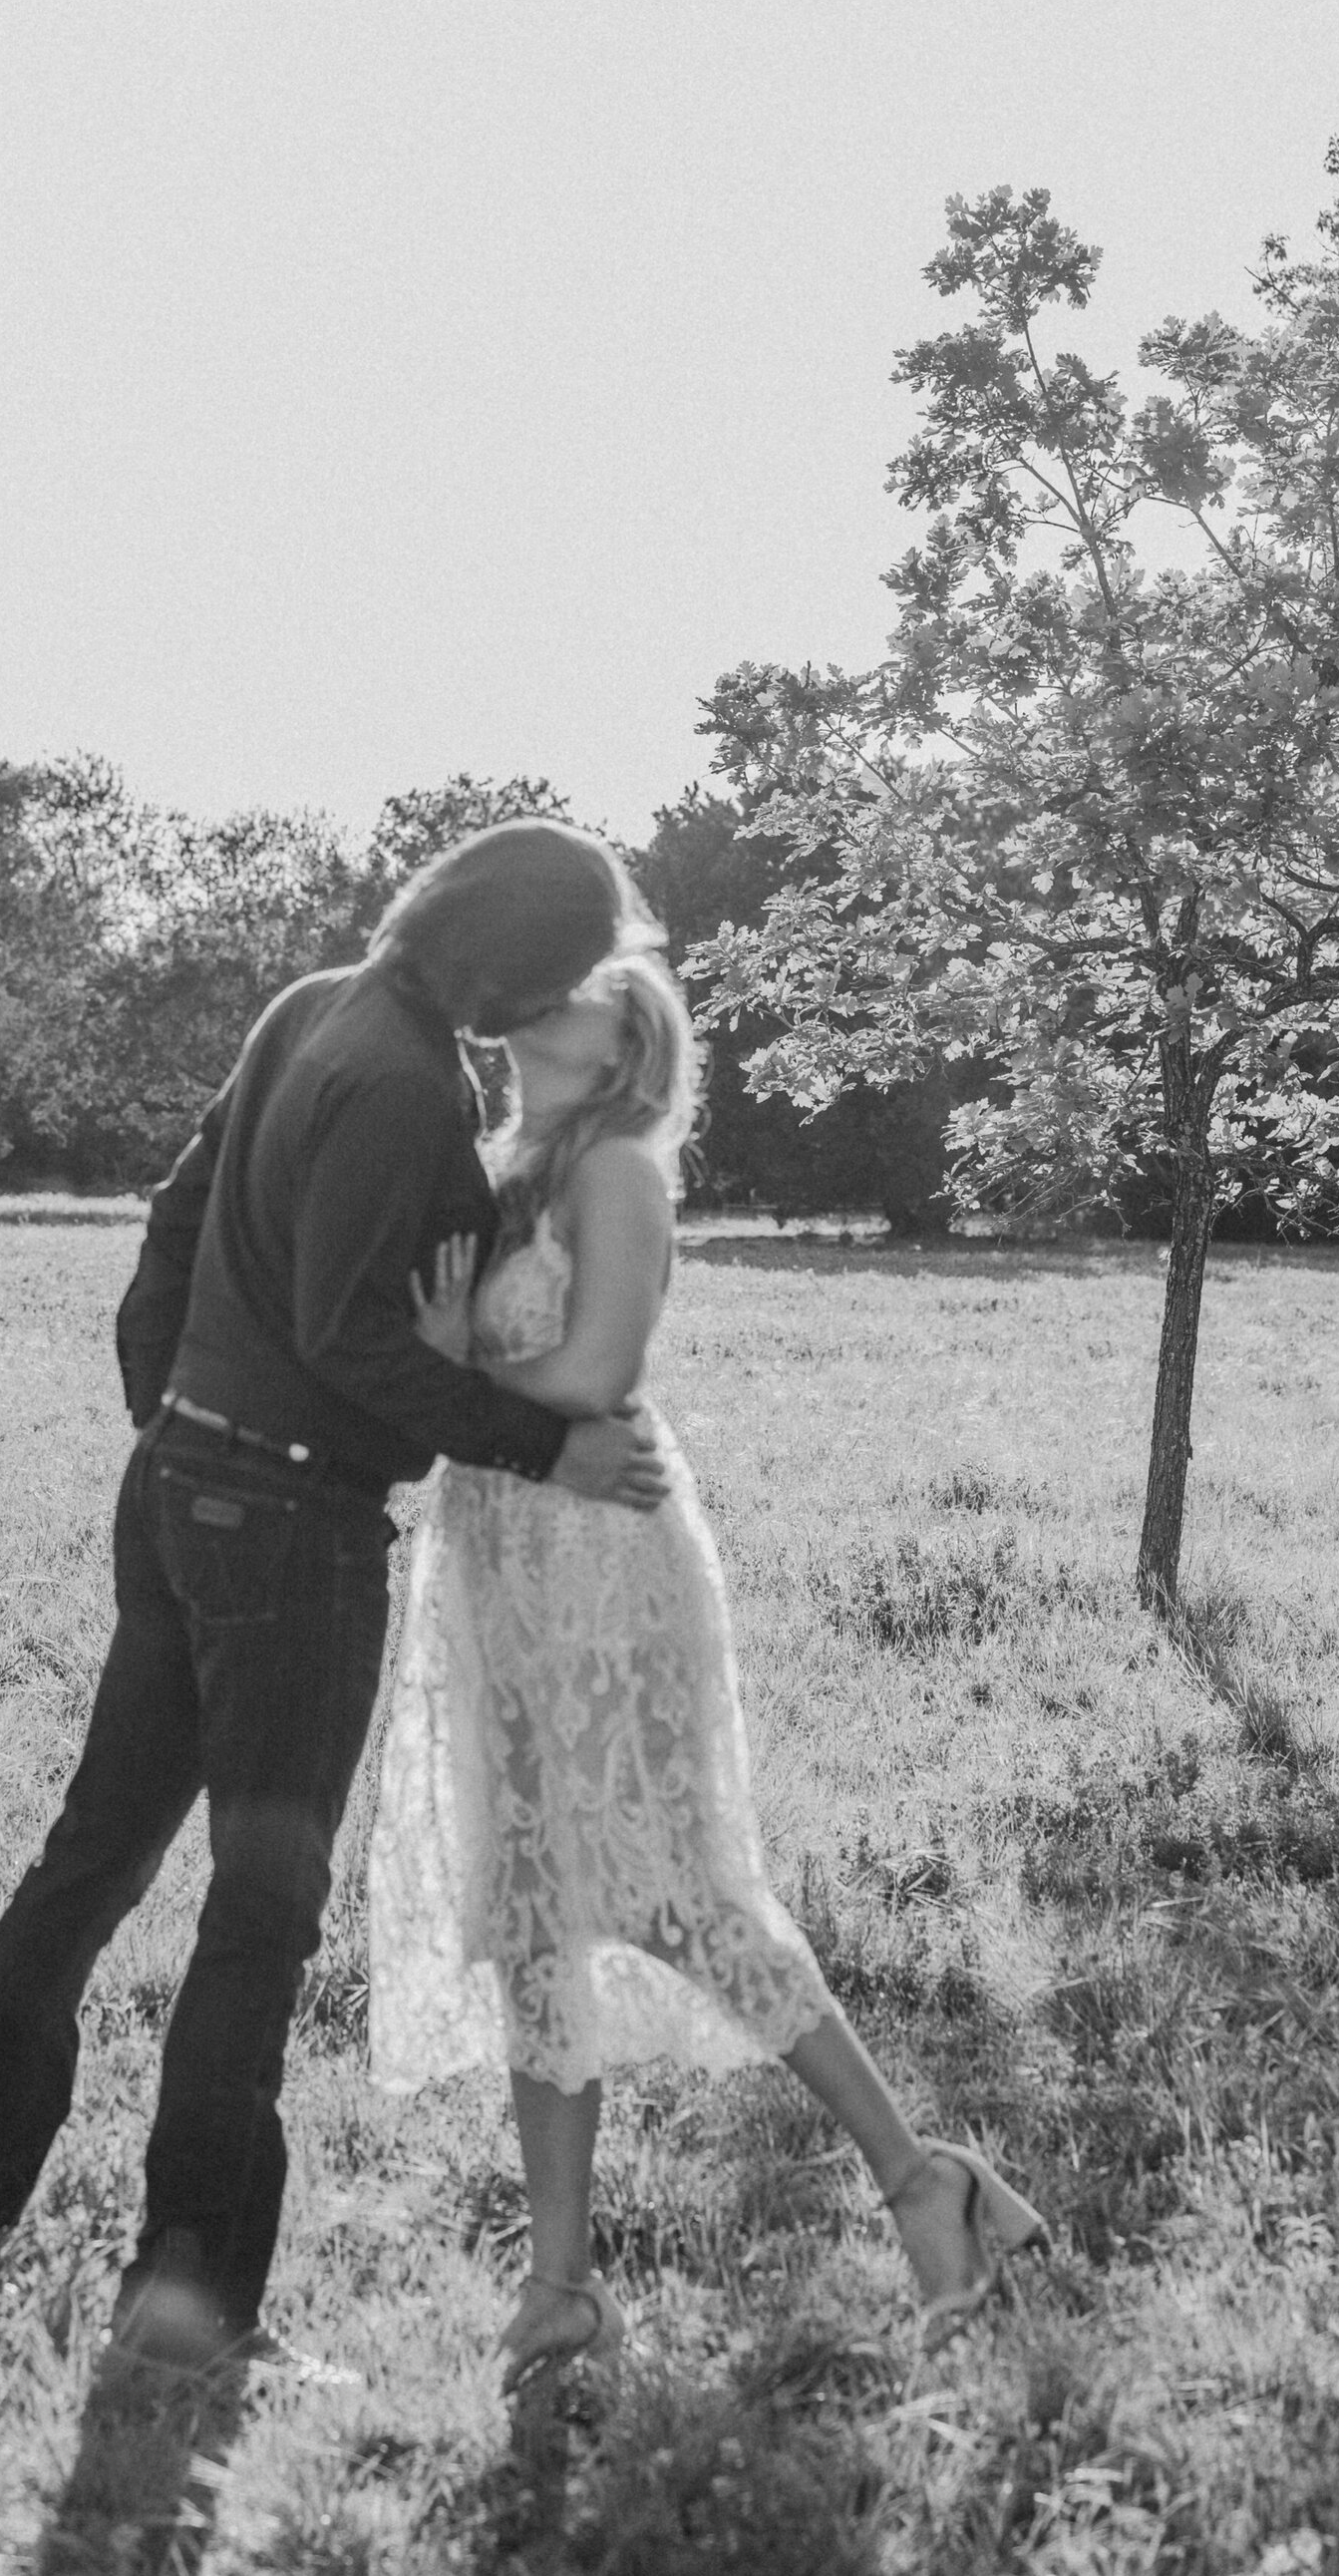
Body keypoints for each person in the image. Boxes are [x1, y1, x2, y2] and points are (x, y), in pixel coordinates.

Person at [0, 821, 671, 2372]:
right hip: (290, 1535)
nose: (577, 987)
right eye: (570, 959)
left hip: (185, 1488)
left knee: (91, 1860)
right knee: (261, 1914)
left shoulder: (314, 1002)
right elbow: (352, 1340)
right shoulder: (398, 1082)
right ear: (514, 958)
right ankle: (190, 2301)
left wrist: (169, 1413)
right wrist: (543, 1445)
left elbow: (175, 1222)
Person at [366, 944, 1046, 2381]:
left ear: (624, 1039)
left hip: (606, 1561)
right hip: (497, 1551)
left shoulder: (618, 1169)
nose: (533, 1000)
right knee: (532, 1907)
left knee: (676, 1895)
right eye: (531, 985)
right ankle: (561, 2296)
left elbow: (597, 1378)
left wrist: (446, 1372)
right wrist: (442, 1368)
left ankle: (928, 2183)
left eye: (570, 987)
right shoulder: (511, 1169)